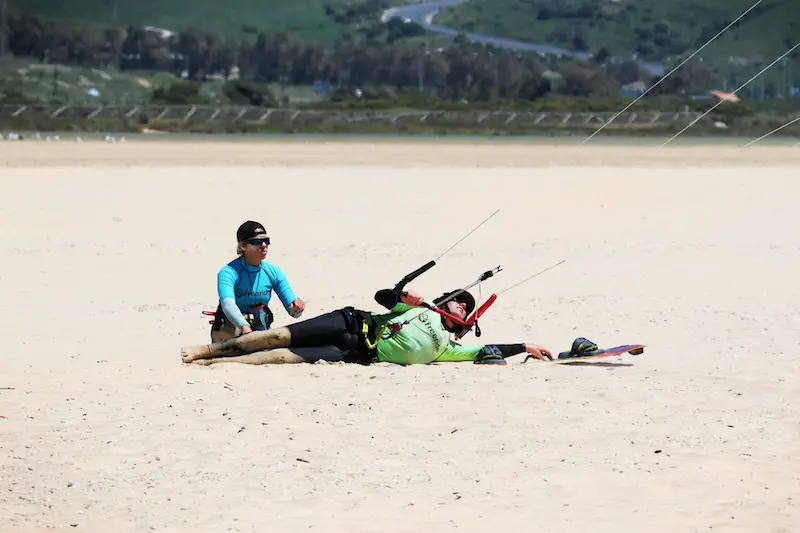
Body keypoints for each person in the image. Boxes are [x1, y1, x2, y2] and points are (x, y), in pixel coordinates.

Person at [181, 283, 553, 366]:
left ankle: (217, 363)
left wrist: (523, 347)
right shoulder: (421, 308)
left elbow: (484, 352)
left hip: (356, 352)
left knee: (280, 358)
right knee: (277, 336)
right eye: (458, 298)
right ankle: (205, 350)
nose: (460, 304)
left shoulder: (449, 346)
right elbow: (382, 299)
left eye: (466, 306)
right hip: (351, 323)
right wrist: (401, 297)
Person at [208, 220, 306, 342]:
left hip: (260, 327)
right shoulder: (228, 272)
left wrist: (297, 307)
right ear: (243, 246)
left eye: (266, 241)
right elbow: (227, 304)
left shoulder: (274, 272)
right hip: (232, 329)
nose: (264, 245)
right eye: (256, 242)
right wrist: (245, 328)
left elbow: (293, 313)